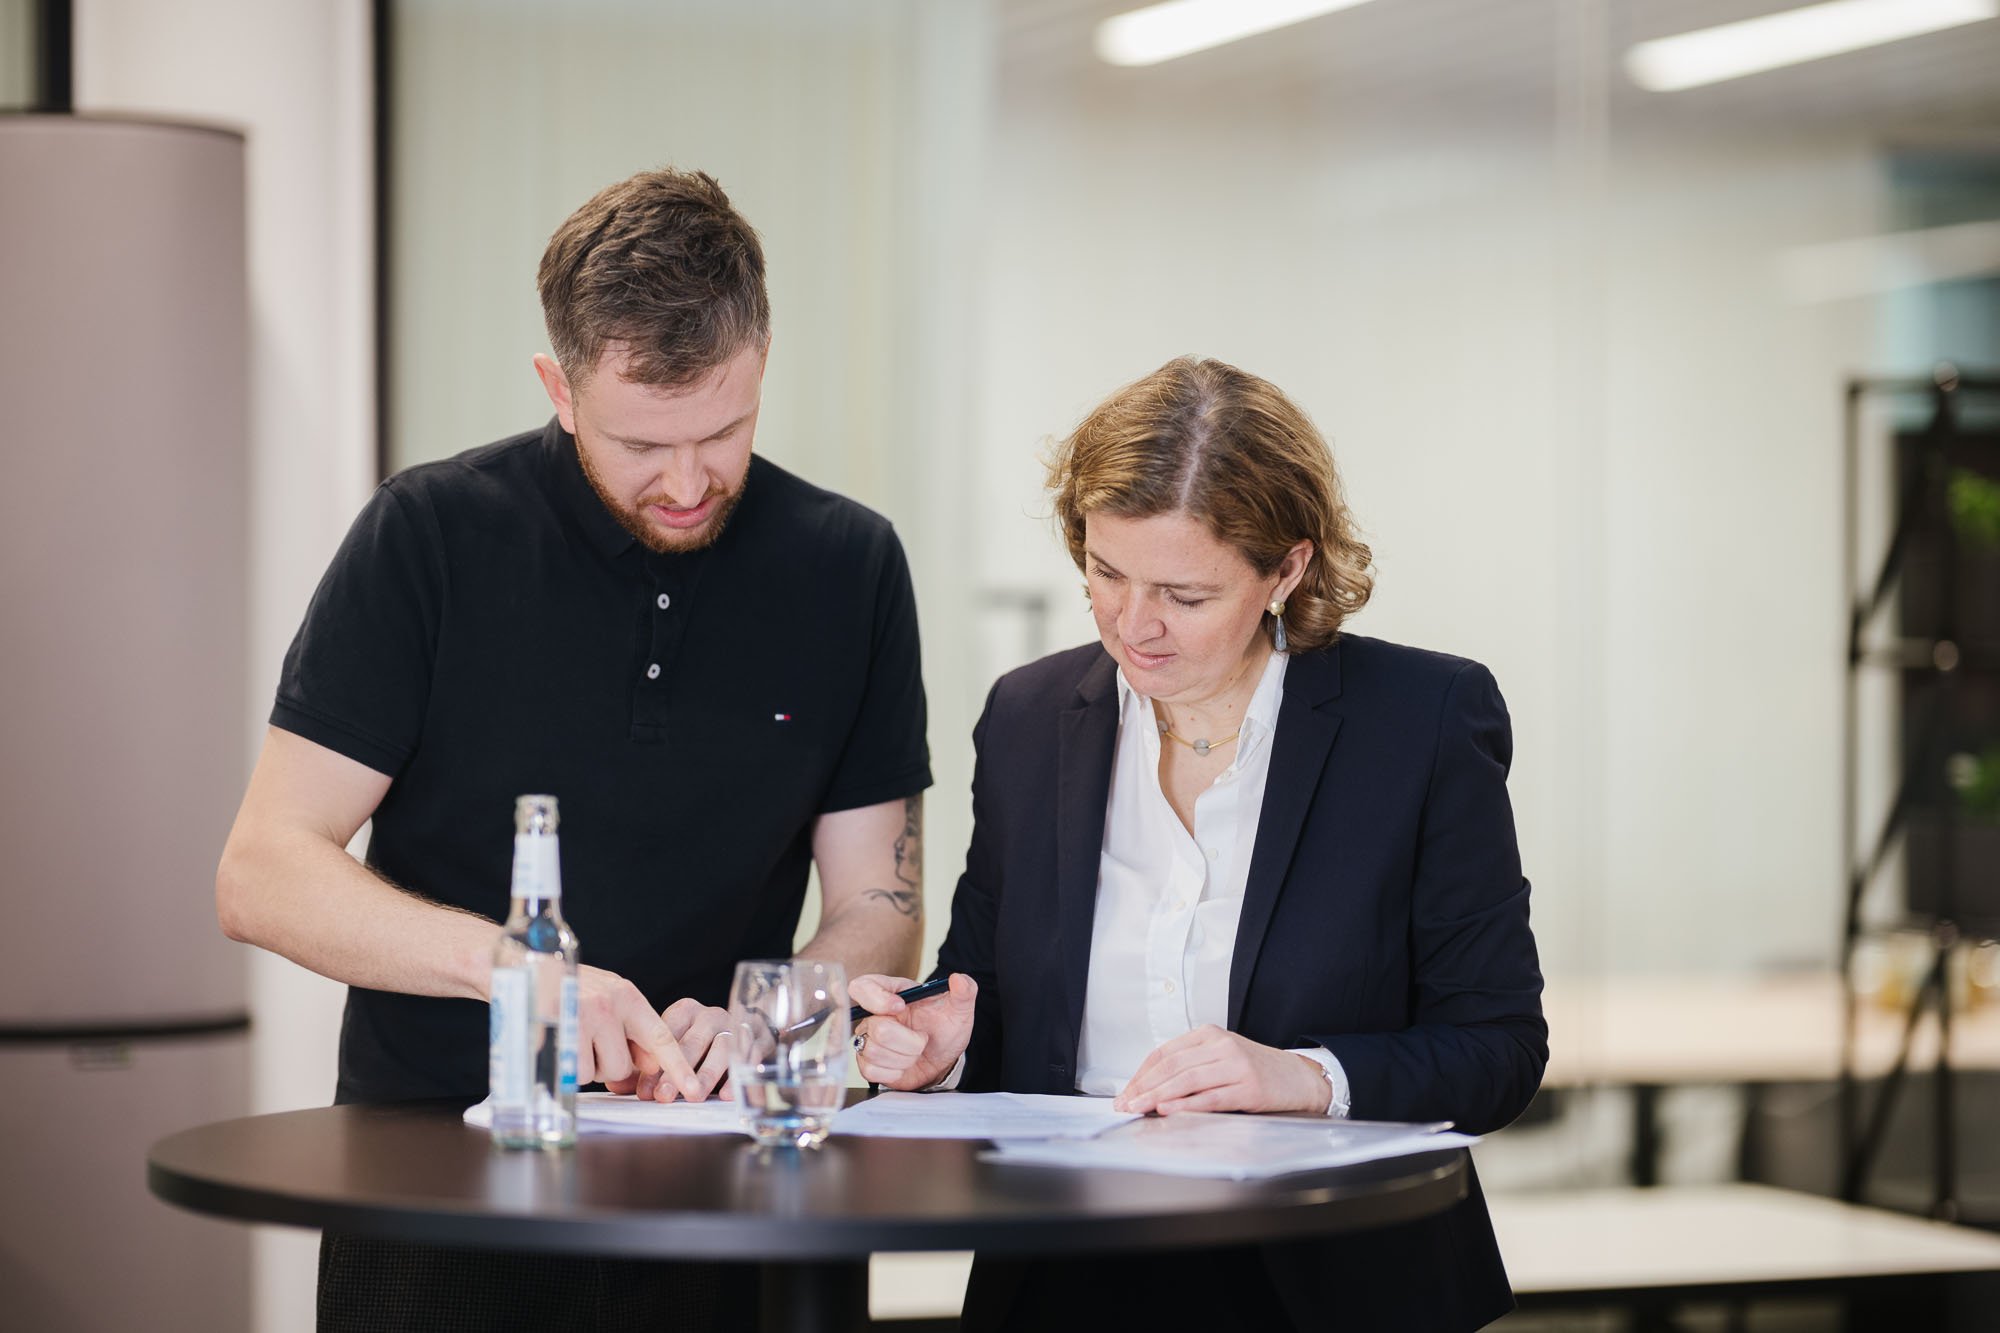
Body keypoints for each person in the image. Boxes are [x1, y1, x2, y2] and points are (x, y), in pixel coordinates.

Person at [216, 167, 931, 1332]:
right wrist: (518, 976)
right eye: (644, 442)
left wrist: (772, 1010)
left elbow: (881, 900)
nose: (691, 482)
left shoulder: (848, 567)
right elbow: (262, 871)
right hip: (443, 1188)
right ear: (558, 385)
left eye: (726, 430)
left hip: (741, 1185)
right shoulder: (428, 538)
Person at [851, 356, 1546, 1332]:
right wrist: (942, 1047)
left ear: (1287, 569)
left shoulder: (1420, 722)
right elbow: (992, 994)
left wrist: (1303, 1079)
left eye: (1183, 593)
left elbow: (1496, 1048)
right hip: (1063, 1274)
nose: (1134, 626)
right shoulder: (1029, 714)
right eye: (1104, 572)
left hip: (1330, 1284)